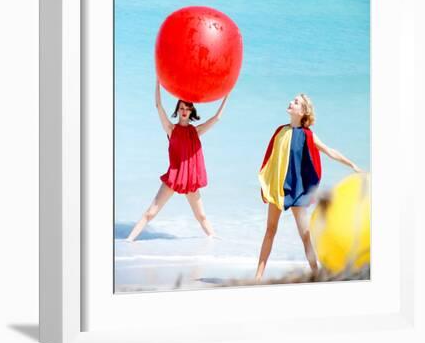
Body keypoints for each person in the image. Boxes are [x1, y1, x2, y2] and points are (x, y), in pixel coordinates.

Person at [255, 93, 362, 281]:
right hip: (279, 190)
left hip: (297, 191)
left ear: (303, 111)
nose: (291, 102)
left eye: (296, 102)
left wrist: (352, 164)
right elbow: (273, 161)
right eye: (292, 100)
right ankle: (257, 277)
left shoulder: (308, 135)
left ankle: (316, 273)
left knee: (305, 235)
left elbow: (329, 151)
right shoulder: (280, 131)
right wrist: (268, 183)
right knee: (270, 231)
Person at [125, 78, 229, 241]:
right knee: (150, 213)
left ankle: (215, 241)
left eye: (187, 108)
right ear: (178, 110)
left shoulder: (196, 131)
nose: (184, 111)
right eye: (181, 108)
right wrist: (158, 83)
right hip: (174, 177)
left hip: (190, 180)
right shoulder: (171, 129)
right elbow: (159, 106)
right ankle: (128, 240)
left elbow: (216, 118)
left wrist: (226, 95)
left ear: (191, 111)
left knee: (201, 216)